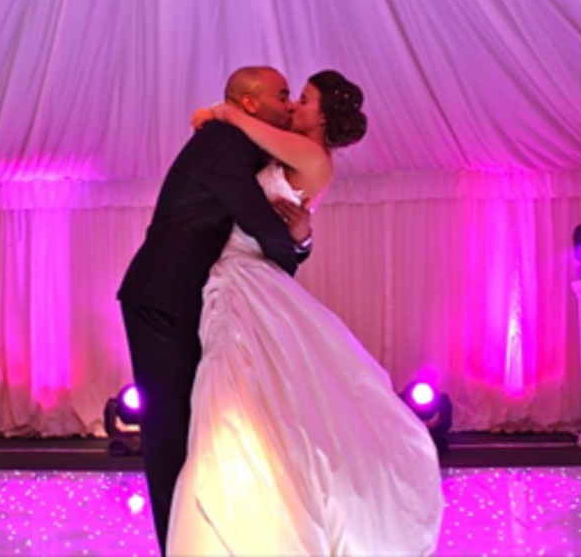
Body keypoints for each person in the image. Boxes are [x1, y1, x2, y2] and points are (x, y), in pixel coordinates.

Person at [166, 70, 445, 554]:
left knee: (237, 390)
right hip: (239, 273)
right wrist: (301, 236)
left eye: (304, 99)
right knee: (250, 394)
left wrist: (221, 111)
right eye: (292, 96)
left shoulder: (312, 157)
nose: (294, 104)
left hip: (244, 275)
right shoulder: (290, 153)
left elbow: (246, 125)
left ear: (322, 118)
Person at [117, 66, 314, 554]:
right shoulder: (222, 143)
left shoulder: (242, 142)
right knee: (169, 434)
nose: (289, 104)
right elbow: (260, 223)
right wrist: (296, 248)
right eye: (282, 95)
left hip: (190, 298)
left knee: (197, 425)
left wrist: (300, 237)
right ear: (249, 104)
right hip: (161, 299)